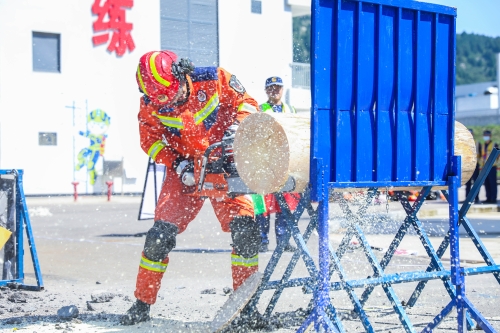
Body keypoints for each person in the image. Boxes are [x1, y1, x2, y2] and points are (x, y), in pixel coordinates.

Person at [120, 50, 261, 325]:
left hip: (224, 163)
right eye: (160, 99)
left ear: (182, 74)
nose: (167, 103)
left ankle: (247, 309)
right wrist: (176, 164)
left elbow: (249, 103)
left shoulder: (215, 79)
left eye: (170, 95)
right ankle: (141, 303)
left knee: (245, 231)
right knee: (159, 238)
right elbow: (150, 141)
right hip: (185, 169)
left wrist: (238, 127)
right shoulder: (151, 102)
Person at [254, 76, 300, 253]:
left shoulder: (291, 109)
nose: (275, 91)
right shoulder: (260, 109)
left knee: (285, 203)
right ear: (266, 91)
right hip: (265, 163)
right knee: (263, 204)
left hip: (285, 163)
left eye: (278, 88)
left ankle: (283, 241)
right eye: (271, 88)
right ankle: (262, 241)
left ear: (283, 90)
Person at [478, 130, 499, 204]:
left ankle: (493, 198)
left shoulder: (494, 144)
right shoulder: (483, 145)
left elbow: (498, 156)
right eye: (484, 135)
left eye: (487, 135)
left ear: (490, 136)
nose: (485, 137)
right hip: (485, 166)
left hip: (492, 167)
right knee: (486, 183)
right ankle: (488, 197)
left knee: (492, 183)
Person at [463, 128, 480, 204]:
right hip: (467, 166)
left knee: (476, 183)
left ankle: (476, 198)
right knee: (468, 183)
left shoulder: (477, 143)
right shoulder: (464, 144)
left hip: (475, 165)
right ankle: (467, 199)